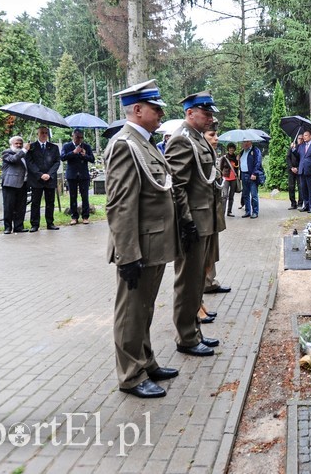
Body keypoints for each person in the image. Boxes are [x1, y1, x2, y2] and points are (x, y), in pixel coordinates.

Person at [106, 79, 179, 398]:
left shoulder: (144, 142)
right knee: (131, 312)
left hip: (153, 244)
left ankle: (145, 361)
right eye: (155, 108)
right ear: (137, 109)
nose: (161, 113)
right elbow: (120, 205)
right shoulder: (125, 145)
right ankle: (131, 375)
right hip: (138, 247)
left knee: (144, 309)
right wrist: (127, 255)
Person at [164, 91, 223, 357]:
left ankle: (194, 331)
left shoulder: (197, 137)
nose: (210, 118)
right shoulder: (182, 138)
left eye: (211, 113)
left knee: (197, 280)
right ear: (190, 113)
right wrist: (186, 221)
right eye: (206, 113)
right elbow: (176, 185)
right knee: (187, 282)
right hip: (194, 222)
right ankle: (185, 337)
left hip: (205, 220)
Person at [201, 128, 230, 301]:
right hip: (203, 212)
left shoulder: (211, 153)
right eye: (212, 135)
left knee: (212, 252)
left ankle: (210, 282)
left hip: (213, 210)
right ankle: (203, 286)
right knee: (203, 253)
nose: (216, 138)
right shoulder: (198, 151)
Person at [26, 125, 61, 232]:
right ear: (38, 134)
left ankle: (50, 223)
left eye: (46, 133)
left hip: (50, 179)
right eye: (42, 133)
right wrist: (40, 174)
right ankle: (34, 224)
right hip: (37, 179)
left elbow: (57, 162)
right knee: (35, 203)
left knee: (50, 202)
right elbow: (29, 162)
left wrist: (49, 174)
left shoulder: (54, 147)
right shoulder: (31, 147)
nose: (44, 135)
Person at [60, 129, 95, 225]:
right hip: (72, 175)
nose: (79, 139)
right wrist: (74, 152)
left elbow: (92, 159)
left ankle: (85, 216)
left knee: (85, 197)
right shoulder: (67, 146)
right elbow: (62, 157)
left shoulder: (86, 146)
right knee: (73, 196)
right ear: (73, 136)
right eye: (77, 137)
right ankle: (74, 217)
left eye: (81, 137)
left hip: (83, 175)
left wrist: (85, 155)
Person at [1, 136, 30, 234]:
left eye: (20, 143)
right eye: (16, 143)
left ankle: (19, 226)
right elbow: (13, 159)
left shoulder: (24, 154)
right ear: (11, 144)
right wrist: (24, 150)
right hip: (10, 184)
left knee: (21, 207)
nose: (18, 145)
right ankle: (7, 227)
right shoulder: (6, 152)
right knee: (9, 206)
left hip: (23, 183)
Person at [238, 139, 263, 218]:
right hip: (244, 174)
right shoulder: (242, 152)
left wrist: (254, 173)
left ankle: (255, 212)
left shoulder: (255, 150)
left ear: (250, 142)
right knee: (245, 194)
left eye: (246, 142)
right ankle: (247, 211)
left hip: (252, 175)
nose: (244, 144)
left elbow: (258, 162)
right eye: (243, 142)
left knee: (254, 194)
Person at [220, 143, 239, 217]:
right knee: (224, 195)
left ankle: (229, 212)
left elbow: (237, 167)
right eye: (230, 148)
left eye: (233, 148)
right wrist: (221, 176)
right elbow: (221, 168)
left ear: (234, 149)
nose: (231, 149)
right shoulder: (224, 157)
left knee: (231, 196)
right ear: (228, 149)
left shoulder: (236, 157)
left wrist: (238, 160)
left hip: (234, 179)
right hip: (226, 178)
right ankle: (222, 212)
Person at [286, 135, 303, 209]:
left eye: (302, 139)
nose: (300, 140)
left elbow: (302, 159)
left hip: (299, 169)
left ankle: (300, 204)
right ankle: (293, 203)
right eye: (299, 138)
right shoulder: (292, 146)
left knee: (300, 187)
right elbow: (288, 157)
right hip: (291, 170)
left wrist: (298, 168)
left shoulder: (303, 148)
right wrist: (291, 167)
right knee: (291, 187)